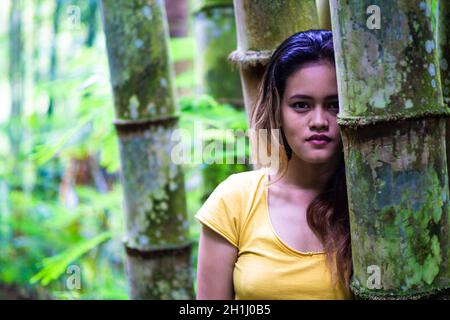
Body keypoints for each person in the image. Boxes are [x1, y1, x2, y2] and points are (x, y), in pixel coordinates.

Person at [195, 29, 353, 300]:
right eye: (301, 105)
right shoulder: (235, 200)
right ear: (277, 110)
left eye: (334, 105)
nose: (318, 120)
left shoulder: (372, 203)